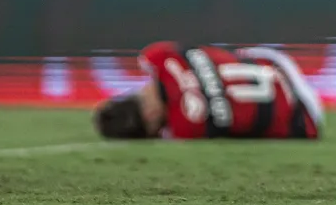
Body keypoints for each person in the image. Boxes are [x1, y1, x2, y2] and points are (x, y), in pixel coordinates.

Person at [93, 40, 323, 141]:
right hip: (277, 63)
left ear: (151, 120)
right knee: (223, 57)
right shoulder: (159, 56)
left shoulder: (184, 129)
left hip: (305, 117)